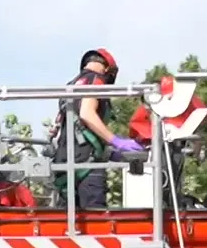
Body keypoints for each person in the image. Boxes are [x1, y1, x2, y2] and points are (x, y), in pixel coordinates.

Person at [51, 48, 143, 209]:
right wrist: (115, 141)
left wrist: (107, 151)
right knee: (95, 220)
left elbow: (63, 127)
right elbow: (87, 113)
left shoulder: (71, 86)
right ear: (107, 69)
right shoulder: (96, 80)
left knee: (66, 221)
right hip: (87, 165)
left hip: (65, 162)